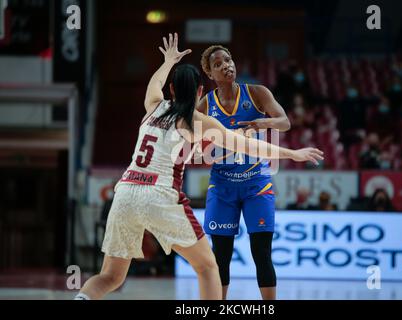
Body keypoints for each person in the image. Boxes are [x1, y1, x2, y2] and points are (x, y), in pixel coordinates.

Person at [74, 33, 324, 300]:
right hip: (159, 193)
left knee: (109, 277)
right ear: (201, 91)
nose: (227, 65)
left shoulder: (153, 106)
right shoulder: (198, 118)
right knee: (207, 267)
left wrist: (168, 60)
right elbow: (249, 146)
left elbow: (154, 83)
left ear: (171, 90)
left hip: (124, 192)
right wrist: (293, 153)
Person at [196, 45, 296, 300]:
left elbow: (285, 122)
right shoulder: (206, 104)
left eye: (228, 60)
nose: (226, 65)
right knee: (221, 257)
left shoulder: (257, 93)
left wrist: (266, 122)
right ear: (210, 73)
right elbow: (186, 130)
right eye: (218, 64)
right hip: (222, 185)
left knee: (261, 254)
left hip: (256, 184)